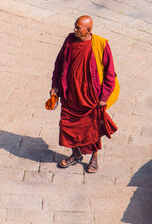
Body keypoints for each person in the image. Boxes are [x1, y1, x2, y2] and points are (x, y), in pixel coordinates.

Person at [50, 15, 119, 174]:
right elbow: (59, 63)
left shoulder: (100, 44)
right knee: (67, 126)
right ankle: (75, 154)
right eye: (75, 26)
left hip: (91, 97)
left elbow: (109, 73)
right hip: (70, 94)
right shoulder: (69, 40)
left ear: (88, 30)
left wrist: (104, 97)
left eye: (78, 27)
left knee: (92, 129)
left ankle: (94, 157)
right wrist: (55, 85)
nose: (74, 29)